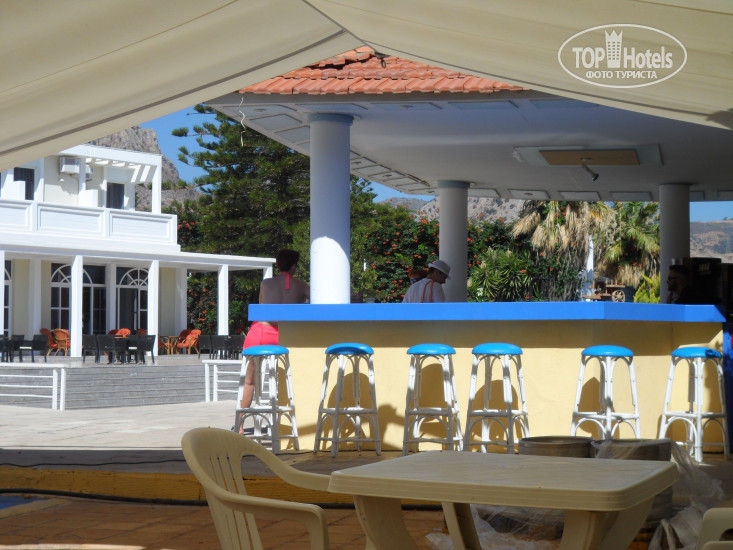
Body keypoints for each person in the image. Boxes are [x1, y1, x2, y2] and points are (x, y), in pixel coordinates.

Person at [239, 249, 309, 414]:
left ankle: (240, 422)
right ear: (294, 266)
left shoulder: (266, 284)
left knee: (249, 381)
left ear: (278, 265)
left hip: (260, 333)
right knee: (290, 378)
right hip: (284, 337)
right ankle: (288, 417)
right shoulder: (301, 285)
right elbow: (317, 302)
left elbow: (262, 305)